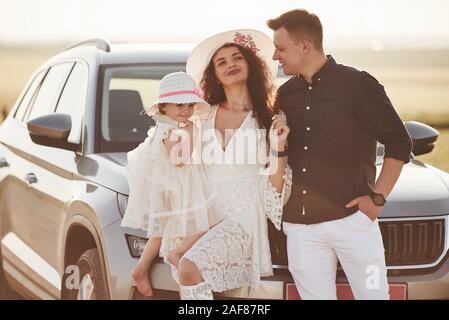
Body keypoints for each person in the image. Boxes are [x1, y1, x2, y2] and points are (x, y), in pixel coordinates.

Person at [267, 9, 413, 299]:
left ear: (304, 46)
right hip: (301, 230)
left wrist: (377, 199)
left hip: (354, 225)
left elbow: (400, 143)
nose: (275, 56)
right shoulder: (285, 95)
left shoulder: (358, 85)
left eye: (281, 48)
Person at [170, 29, 293, 300]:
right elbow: (182, 166)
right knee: (183, 265)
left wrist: (280, 148)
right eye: (221, 62)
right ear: (214, 75)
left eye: (237, 57)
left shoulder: (270, 118)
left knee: (189, 269)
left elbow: (276, 186)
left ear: (251, 64)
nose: (230, 65)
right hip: (206, 215)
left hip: (243, 216)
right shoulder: (202, 116)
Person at [120, 71, 223, 297]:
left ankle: (140, 269)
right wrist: (190, 132)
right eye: (179, 105)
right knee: (207, 221)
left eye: (189, 105)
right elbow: (179, 160)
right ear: (164, 107)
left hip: (168, 182)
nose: (186, 111)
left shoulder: (170, 124)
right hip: (177, 183)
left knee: (161, 229)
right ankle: (177, 252)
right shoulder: (174, 128)